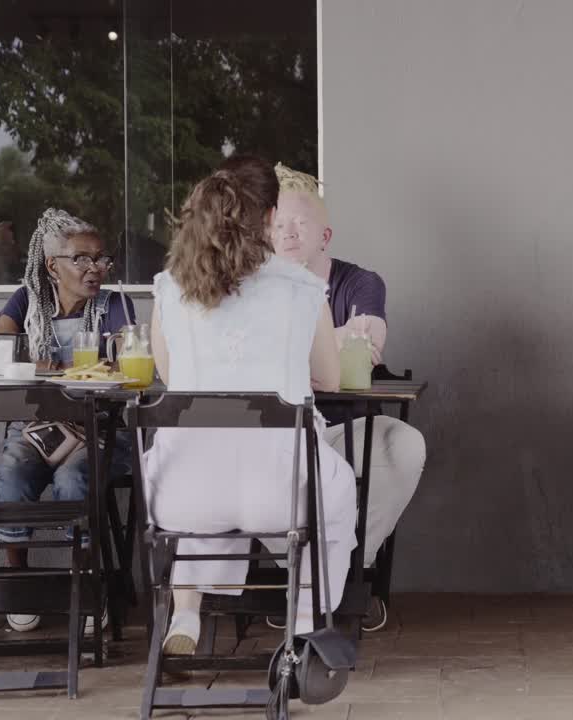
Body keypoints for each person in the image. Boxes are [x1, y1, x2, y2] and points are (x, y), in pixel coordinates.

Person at [143, 165, 358, 654]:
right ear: (266, 220)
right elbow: (328, 377)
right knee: (337, 491)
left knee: (199, 461)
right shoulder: (301, 288)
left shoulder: (169, 288)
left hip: (183, 498)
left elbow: (174, 380)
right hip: (280, 492)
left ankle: (186, 615)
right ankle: (303, 624)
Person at [268, 161, 426, 633]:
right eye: (278, 225)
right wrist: (333, 346)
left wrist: (299, 352)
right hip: (283, 433)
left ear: (325, 235)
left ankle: (350, 570)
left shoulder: (358, 282)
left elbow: (372, 341)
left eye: (300, 223)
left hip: (346, 429)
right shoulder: (259, 288)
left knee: (407, 446)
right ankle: (303, 578)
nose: (289, 234)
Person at [0, 208, 135, 633]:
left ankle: (87, 584)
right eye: (82, 259)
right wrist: (30, 360)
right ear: (53, 265)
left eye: (101, 259)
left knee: (75, 479)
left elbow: (130, 357)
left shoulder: (114, 305)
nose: (95, 268)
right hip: (36, 430)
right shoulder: (27, 301)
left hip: (100, 432)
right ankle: (21, 582)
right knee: (12, 473)